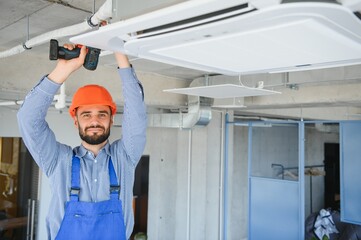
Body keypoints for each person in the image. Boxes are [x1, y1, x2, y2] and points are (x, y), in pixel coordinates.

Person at [17, 44, 147, 240]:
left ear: (111, 119)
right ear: (75, 120)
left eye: (102, 114)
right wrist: (63, 70)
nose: (94, 121)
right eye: (86, 115)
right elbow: (28, 119)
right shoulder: (58, 161)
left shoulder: (125, 158)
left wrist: (119, 50)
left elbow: (136, 114)